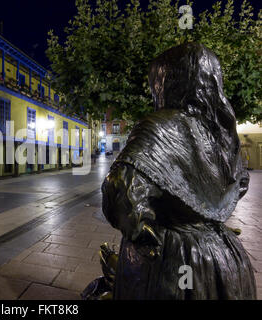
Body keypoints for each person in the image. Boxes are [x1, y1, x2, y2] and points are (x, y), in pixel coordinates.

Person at [101, 42, 256, 299]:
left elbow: (120, 187)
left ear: (169, 82)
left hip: (174, 257)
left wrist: (141, 235)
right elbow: (239, 185)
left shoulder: (161, 125)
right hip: (225, 258)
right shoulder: (225, 133)